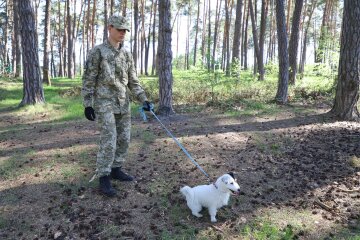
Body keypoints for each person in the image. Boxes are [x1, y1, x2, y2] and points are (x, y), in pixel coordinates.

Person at [81, 15, 152, 197]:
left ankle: (116, 168)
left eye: (125, 30)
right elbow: (89, 79)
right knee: (109, 139)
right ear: (110, 28)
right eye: (119, 29)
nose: (122, 33)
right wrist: (88, 104)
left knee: (124, 139)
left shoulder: (126, 54)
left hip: (123, 103)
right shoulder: (97, 52)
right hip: (104, 103)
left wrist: (143, 99)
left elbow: (133, 81)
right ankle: (104, 175)